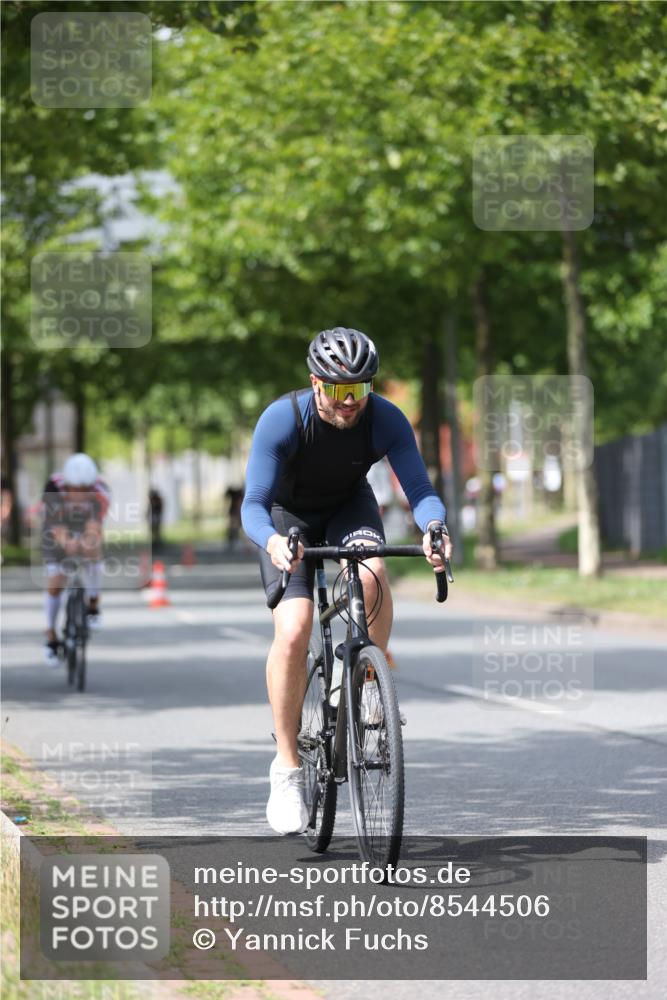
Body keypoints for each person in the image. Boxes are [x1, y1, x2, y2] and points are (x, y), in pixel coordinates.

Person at [241, 328, 452, 835]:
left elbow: (419, 489)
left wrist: (434, 528)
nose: (350, 402)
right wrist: (272, 541)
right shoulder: (282, 419)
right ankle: (288, 767)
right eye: (339, 391)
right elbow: (252, 503)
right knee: (294, 628)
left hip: (347, 508)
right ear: (316, 384)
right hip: (286, 517)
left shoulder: (385, 418)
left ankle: (365, 684)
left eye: (361, 389)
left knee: (375, 574)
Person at [41, 453, 110, 666]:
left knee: (93, 550)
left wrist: (86, 543)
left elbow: (93, 528)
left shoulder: (101, 492)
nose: (80, 496)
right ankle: (51, 636)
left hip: (85, 526)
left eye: (84, 491)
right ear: (67, 484)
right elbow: (57, 530)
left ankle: (93, 604)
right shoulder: (53, 488)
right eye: (75, 490)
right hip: (57, 528)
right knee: (56, 580)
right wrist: (68, 543)